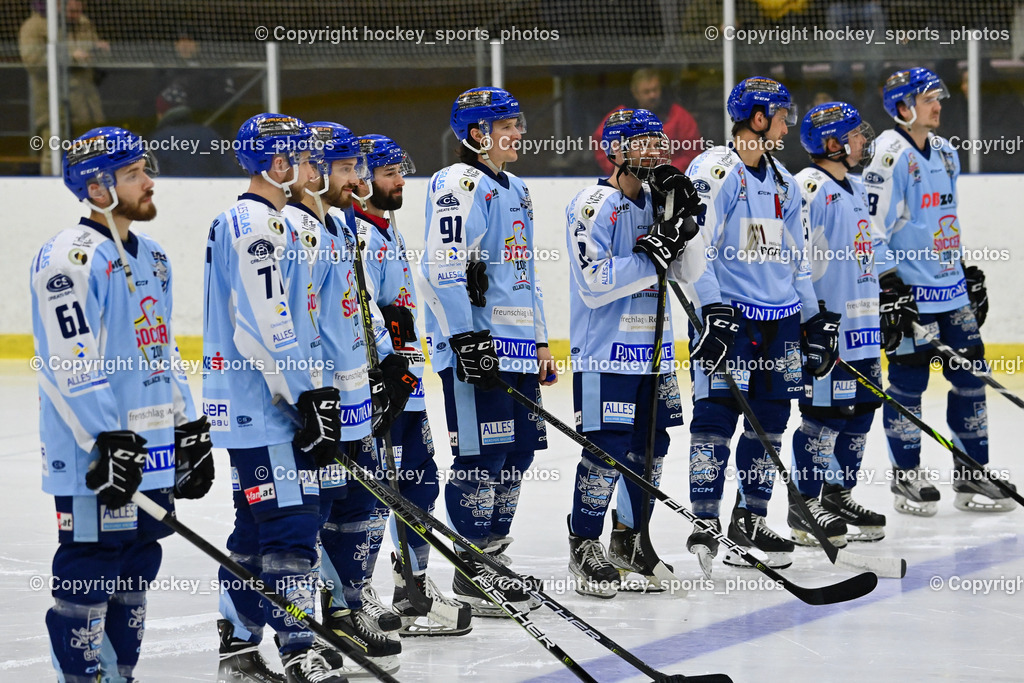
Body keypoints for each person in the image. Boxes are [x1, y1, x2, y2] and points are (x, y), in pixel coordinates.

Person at [32, 126, 213, 682]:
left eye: (145, 170)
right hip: (98, 455)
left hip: (151, 449)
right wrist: (106, 438)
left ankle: (119, 674)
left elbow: (160, 346)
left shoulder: (153, 256)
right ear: (96, 185)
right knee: (92, 563)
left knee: (138, 563)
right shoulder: (68, 257)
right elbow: (69, 360)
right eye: (134, 174)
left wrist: (188, 424)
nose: (148, 181)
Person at [204, 113, 348, 683]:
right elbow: (264, 326)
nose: (307, 164)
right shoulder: (255, 224)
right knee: (292, 523)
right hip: (266, 403)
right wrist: (306, 395)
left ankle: (238, 646)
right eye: (297, 155)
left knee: (257, 528)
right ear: (274, 163)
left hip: (265, 401)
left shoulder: (268, 220)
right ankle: (297, 646)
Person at [682, 77, 840, 575]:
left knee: (770, 425)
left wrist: (814, 319)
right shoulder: (715, 169)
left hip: (781, 322)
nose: (788, 123)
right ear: (757, 118)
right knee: (715, 420)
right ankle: (705, 521)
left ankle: (749, 519)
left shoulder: (786, 183)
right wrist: (711, 310)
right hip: (731, 318)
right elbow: (694, 246)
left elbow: (798, 260)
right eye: (782, 114)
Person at [419, 86, 556, 616]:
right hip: (482, 349)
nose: (519, 132)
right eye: (508, 124)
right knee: (483, 457)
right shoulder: (458, 182)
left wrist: (541, 338)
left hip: (519, 347)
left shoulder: (517, 188)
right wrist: (465, 337)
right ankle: (471, 569)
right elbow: (440, 266)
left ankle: (492, 559)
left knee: (519, 454)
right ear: (478, 133)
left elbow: (524, 273)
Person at [281, 121, 409, 676]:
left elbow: (357, 305)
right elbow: (293, 322)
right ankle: (329, 610)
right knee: (321, 509)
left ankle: (352, 601)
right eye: (346, 168)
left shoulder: (340, 225)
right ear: (313, 172)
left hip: (357, 387)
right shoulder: (293, 228)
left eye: (361, 167)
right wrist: (315, 390)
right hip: (326, 394)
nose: (357, 178)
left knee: (361, 503)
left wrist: (388, 359)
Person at [565, 108, 706, 597]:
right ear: (617, 150)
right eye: (642, 142)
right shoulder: (592, 204)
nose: (655, 150)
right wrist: (653, 253)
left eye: (657, 141)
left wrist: (687, 224)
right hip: (607, 353)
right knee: (606, 451)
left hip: (656, 352)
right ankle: (584, 542)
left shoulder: (654, 199)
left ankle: (629, 539)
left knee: (651, 450)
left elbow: (687, 272)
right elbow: (593, 283)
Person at [863, 67, 1016, 515]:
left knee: (971, 382)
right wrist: (889, 287)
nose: (938, 105)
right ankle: (906, 478)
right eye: (929, 98)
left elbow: (942, 222)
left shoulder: (947, 153)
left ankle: (972, 474)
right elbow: (871, 230)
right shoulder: (887, 157)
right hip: (912, 296)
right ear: (903, 107)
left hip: (951, 294)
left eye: (938, 97)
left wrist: (962, 271)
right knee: (908, 385)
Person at [789, 102, 892, 546]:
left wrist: (887, 303)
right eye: (855, 135)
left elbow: (869, 251)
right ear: (832, 144)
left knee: (860, 415)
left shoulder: (851, 185)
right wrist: (811, 322)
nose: (863, 141)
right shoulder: (808, 187)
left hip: (863, 326)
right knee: (824, 419)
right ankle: (803, 506)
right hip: (830, 329)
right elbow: (795, 259)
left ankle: (837, 494)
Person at [19, 0, 109, 174]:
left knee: (93, 153)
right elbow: (33, 61)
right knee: (54, 153)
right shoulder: (34, 26)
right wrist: (69, 57)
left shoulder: (83, 22)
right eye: (71, 4)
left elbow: (91, 52)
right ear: (57, 4)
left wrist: (99, 49)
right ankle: (52, 189)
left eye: (79, 4)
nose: (77, 8)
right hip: (53, 105)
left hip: (87, 104)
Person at [592, 68, 704, 176]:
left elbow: (693, 152)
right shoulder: (619, 117)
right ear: (635, 93)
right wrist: (623, 169)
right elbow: (601, 144)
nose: (652, 95)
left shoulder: (679, 116)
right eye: (647, 92)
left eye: (655, 90)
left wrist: (666, 171)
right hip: (629, 180)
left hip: (670, 180)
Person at [149, 85, 237, 177]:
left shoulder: (159, 139)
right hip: (207, 190)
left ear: (161, 112)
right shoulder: (208, 135)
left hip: (172, 191)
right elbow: (230, 172)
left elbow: (155, 177)